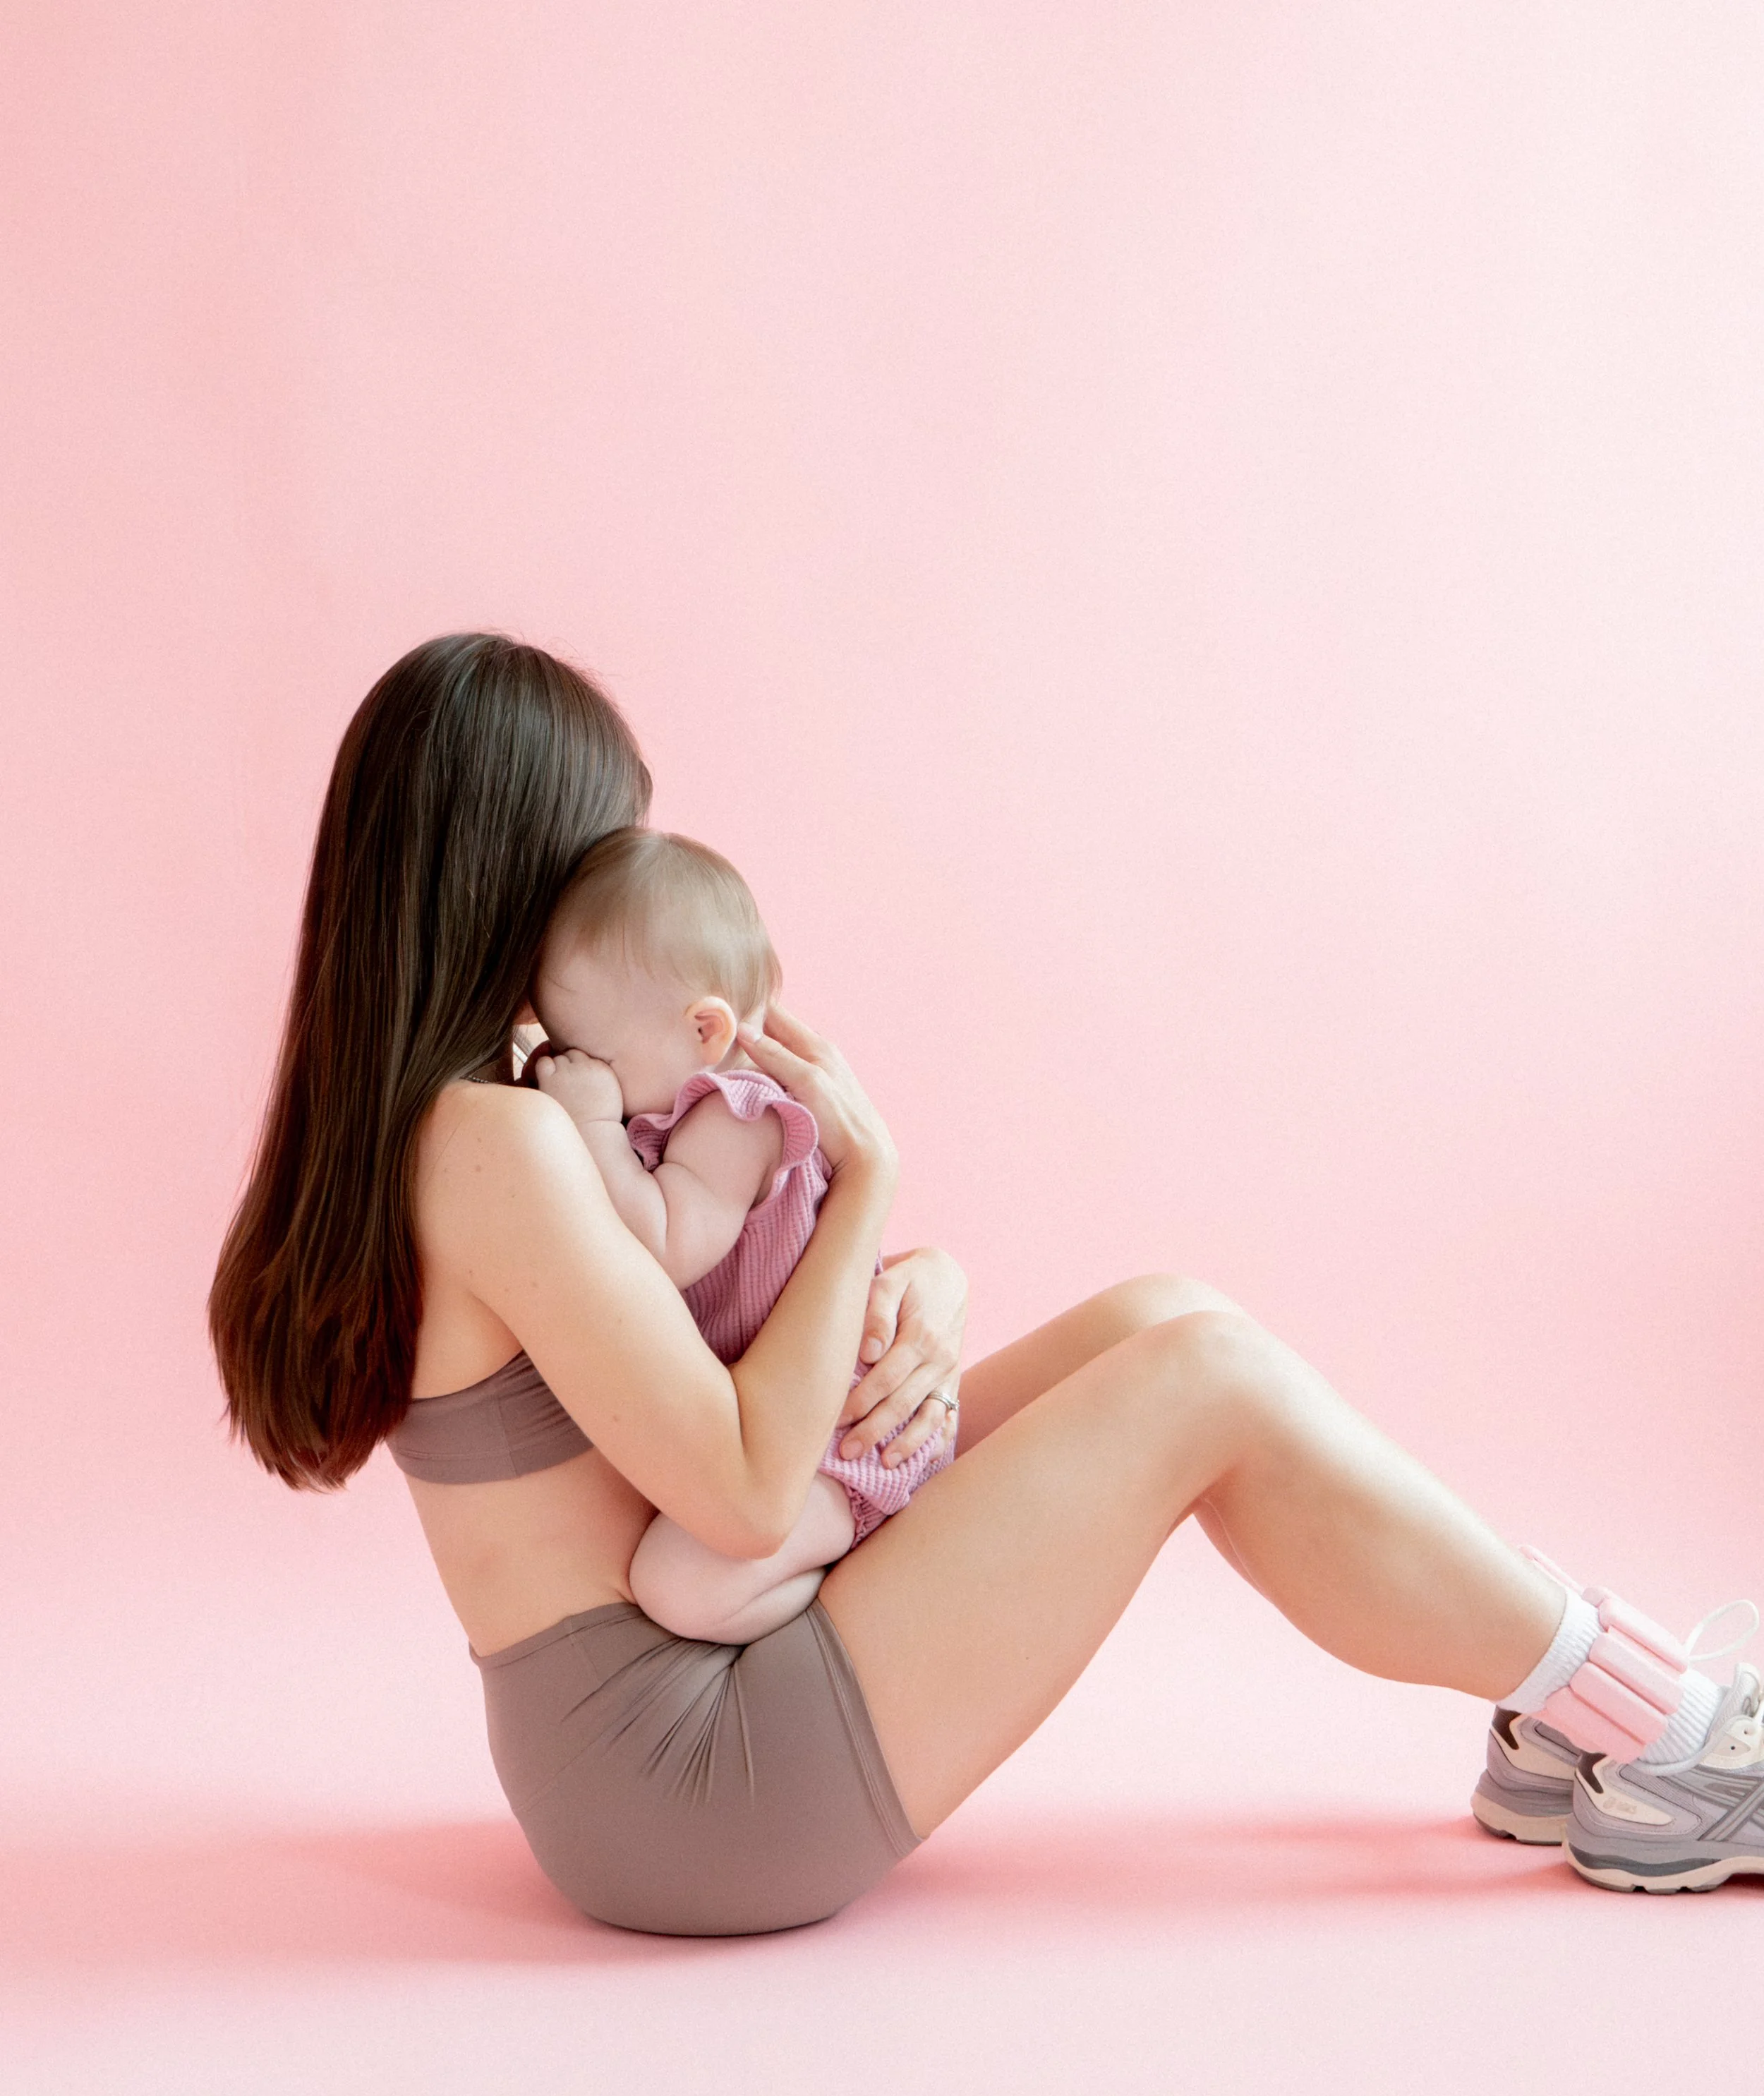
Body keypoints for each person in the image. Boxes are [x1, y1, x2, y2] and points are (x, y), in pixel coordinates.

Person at [209, 632, 1764, 1936]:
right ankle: (1673, 1736)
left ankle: (1575, 1717)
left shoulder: (504, 1113)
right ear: (512, 875)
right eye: (603, 859)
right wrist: (867, 1180)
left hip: (695, 1680)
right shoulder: (496, 1141)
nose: (630, 896)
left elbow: (718, 1338)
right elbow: (745, 1491)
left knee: (1162, 1317)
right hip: (684, 1776)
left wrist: (922, 1284)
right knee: (1205, 1383)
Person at [525, 824, 951, 1643]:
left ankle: (875, 1577)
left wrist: (591, 1125)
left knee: (679, 1587)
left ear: (705, 1032)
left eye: (590, 1053)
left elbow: (664, 1249)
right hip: (790, 1430)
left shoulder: (736, 1117)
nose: (570, 1068)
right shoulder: (678, 1104)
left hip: (839, 1440)